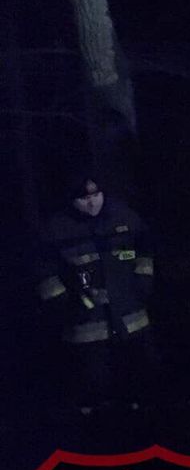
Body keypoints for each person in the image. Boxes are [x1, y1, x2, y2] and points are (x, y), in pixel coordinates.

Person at [35, 171, 157, 413]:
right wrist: (64, 303)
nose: (92, 202)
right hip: (86, 319)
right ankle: (94, 418)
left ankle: (139, 411)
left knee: (139, 369)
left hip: (129, 313)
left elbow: (141, 251)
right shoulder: (56, 229)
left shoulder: (125, 217)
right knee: (94, 375)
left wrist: (141, 283)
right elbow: (44, 272)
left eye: (96, 194)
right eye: (84, 198)